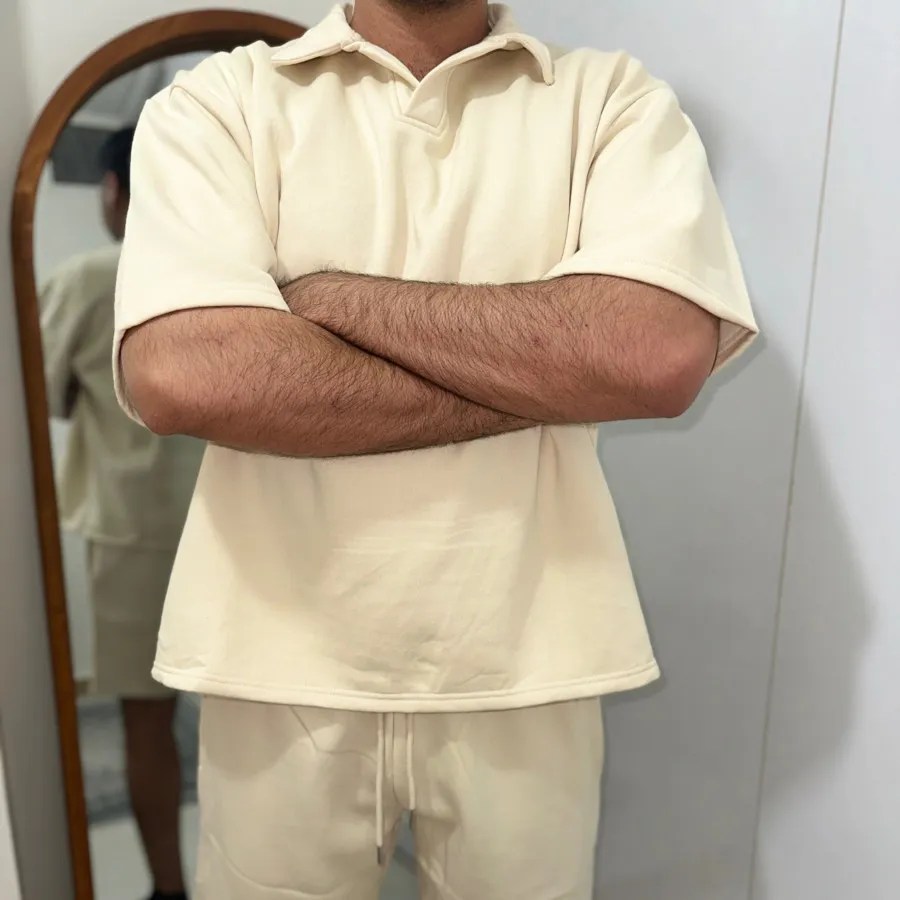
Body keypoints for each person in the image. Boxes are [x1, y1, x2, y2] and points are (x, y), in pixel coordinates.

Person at [114, 1, 759, 897]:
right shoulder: (219, 101)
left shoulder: (612, 99)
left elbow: (651, 354)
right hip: (275, 653)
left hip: (532, 654)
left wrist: (329, 298)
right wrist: (541, 374)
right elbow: (186, 375)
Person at [40, 127, 203, 900]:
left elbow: (41, 395)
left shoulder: (86, 280)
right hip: (234, 523)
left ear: (112, 191)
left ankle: (169, 888)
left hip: (132, 530)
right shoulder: (230, 274)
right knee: (255, 716)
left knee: (146, 721)